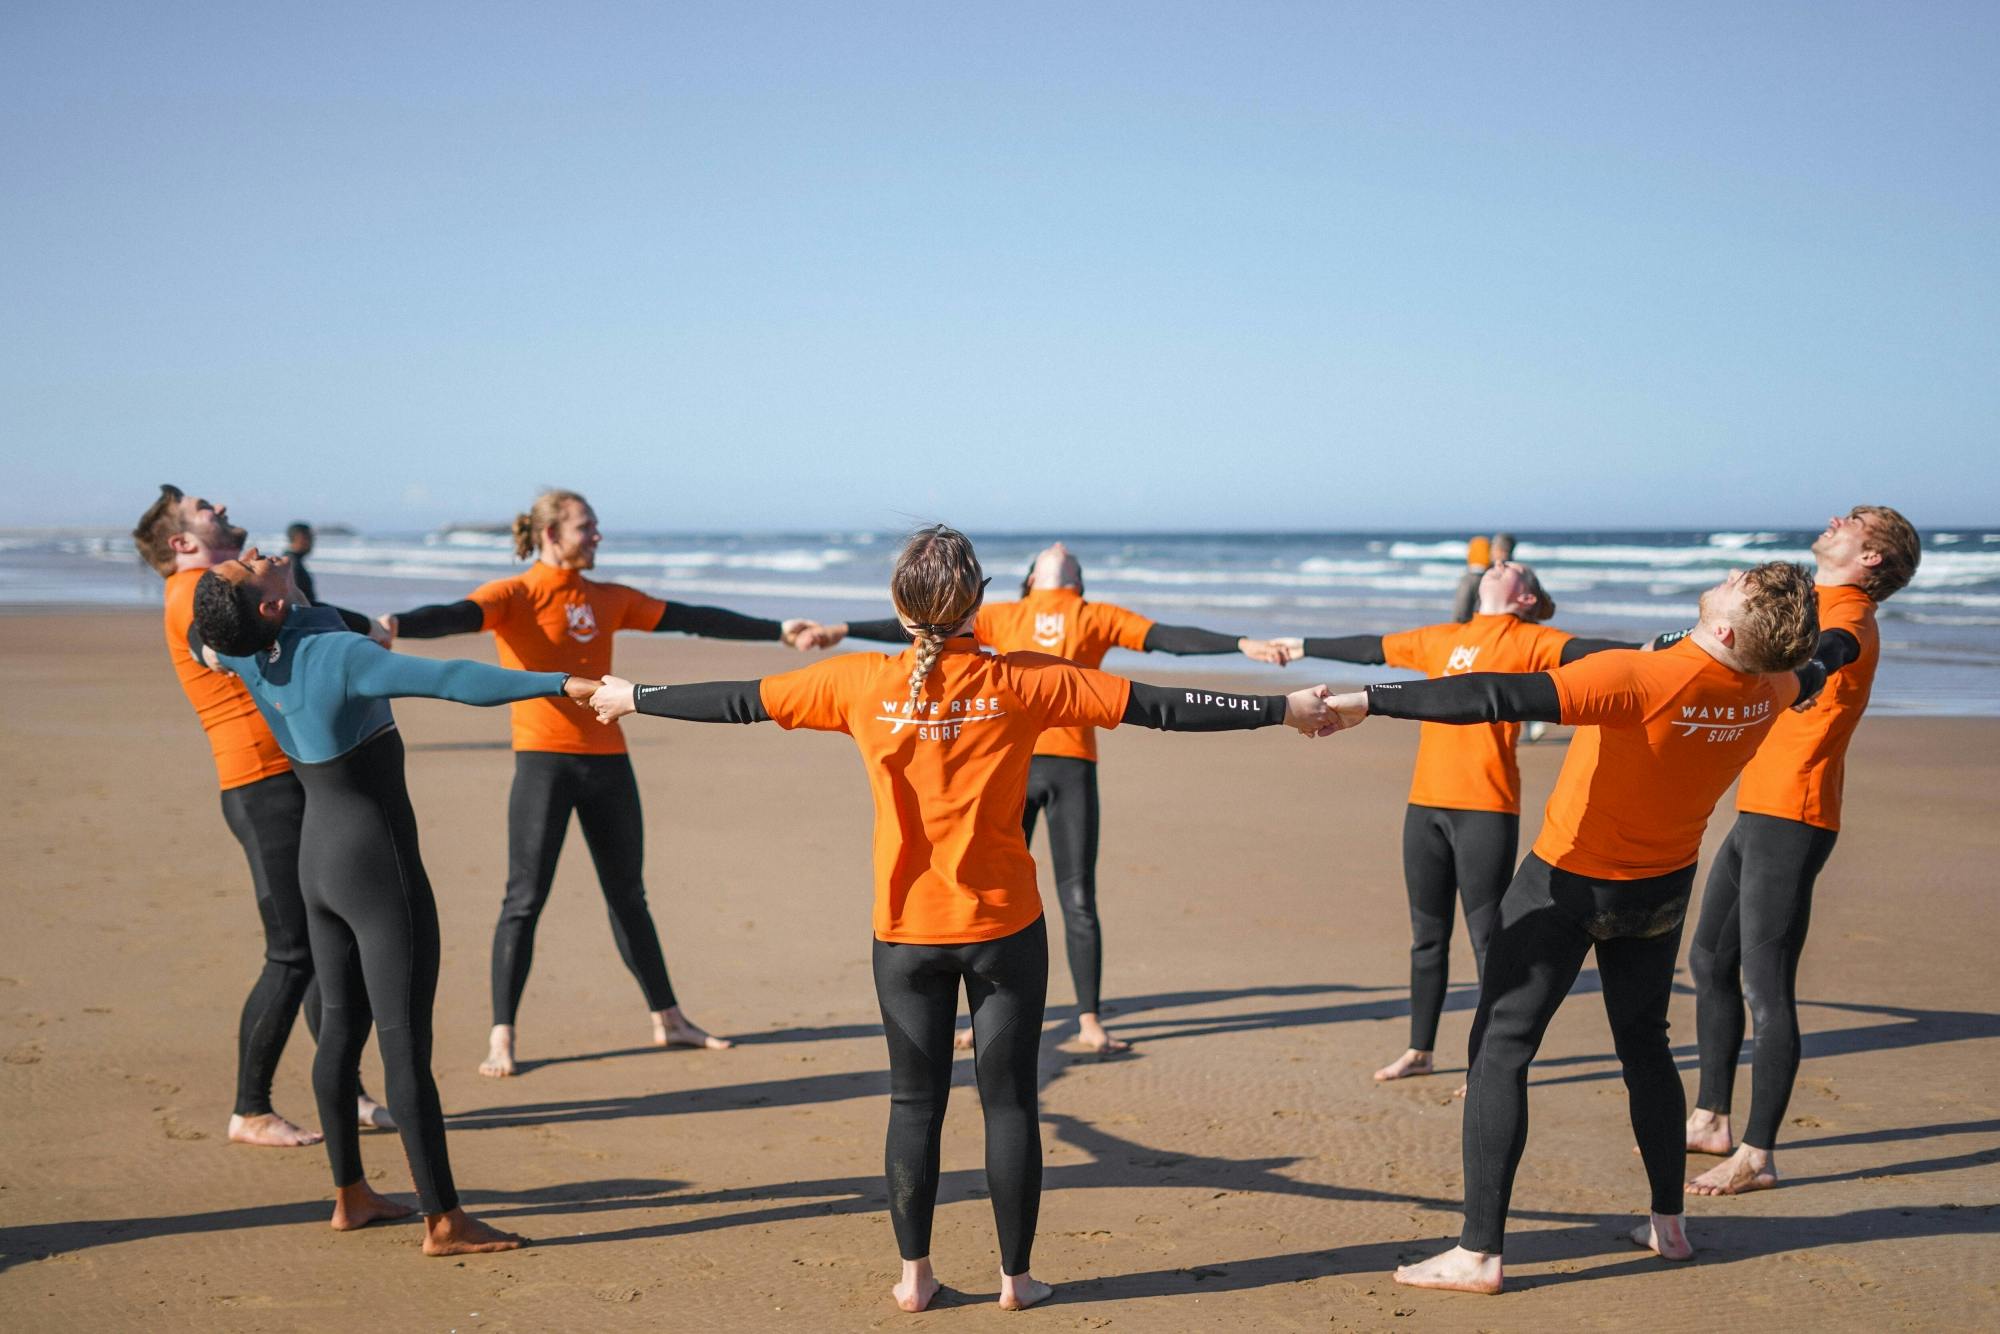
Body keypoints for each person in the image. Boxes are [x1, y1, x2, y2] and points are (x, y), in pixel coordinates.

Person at [589, 525, 1338, 1312]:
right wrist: (1282, 708)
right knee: (1008, 1103)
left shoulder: (856, 682)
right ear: (981, 601)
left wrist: (634, 697)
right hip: (1003, 930)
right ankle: (1017, 1281)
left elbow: (740, 701)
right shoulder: (1026, 680)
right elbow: (1162, 706)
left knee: (914, 1104)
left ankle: (914, 1278)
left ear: (897, 607)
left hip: (904, 934)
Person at [1323, 561, 1822, 1294]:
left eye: (1735, 583)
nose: (1724, 577)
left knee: (1500, 1048)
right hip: (1662, 888)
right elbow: (1823, 664)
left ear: (1723, 629)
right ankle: (1668, 1223)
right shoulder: (1775, 685)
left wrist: (1367, 700)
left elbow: (1494, 693)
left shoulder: (1640, 678)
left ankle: (1478, 1254)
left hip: (1568, 881)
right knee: (1645, 1046)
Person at [190, 546, 600, 1254]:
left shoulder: (244, 651)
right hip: (377, 872)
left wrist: (259, 627)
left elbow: (208, 643)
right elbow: (452, 680)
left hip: (317, 863)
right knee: (405, 1044)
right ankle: (445, 1220)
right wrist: (563, 683)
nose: (252, 552)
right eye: (244, 568)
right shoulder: (337, 656)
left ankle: (351, 1195)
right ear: (270, 605)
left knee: (340, 1031)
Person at [379, 489, 826, 1077]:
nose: (596, 536)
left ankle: (669, 1019)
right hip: (543, 763)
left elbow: (693, 619)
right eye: (585, 527)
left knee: (628, 896)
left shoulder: (609, 598)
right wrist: (397, 624)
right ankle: (501, 1035)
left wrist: (779, 630)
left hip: (609, 762)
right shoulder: (515, 595)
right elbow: (456, 615)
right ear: (550, 534)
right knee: (524, 899)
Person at [805, 542, 1293, 1052]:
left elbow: (1167, 639)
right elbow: (932, 620)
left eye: (1067, 553)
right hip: (1007, 769)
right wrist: (842, 629)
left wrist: (1241, 643)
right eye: (1049, 551)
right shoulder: (1001, 615)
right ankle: (985, 1012)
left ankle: (1089, 1018)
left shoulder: (1095, 615)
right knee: (988, 885)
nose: (1059, 547)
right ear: (1029, 580)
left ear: (1074, 580)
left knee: (1077, 895)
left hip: (1071, 768)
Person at [1282, 561, 1632, 1086]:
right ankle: (1419, 1050)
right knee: (1426, 938)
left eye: (1514, 567)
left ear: (1526, 599)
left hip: (1486, 808)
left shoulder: (1534, 641)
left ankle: (1486, 1063)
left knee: (1489, 941)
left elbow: (1603, 652)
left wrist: (1673, 648)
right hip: (1425, 806)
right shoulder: (1440, 638)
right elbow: (1371, 648)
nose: (1500, 563)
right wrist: (1299, 645)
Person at [131, 485, 389, 1148]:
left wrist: (366, 628)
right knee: (294, 951)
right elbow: (209, 641)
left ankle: (346, 1090)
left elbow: (288, 615)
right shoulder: (192, 591)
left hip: (289, 777)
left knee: (328, 941)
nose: (218, 507)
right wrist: (215, 651)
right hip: (261, 786)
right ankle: (250, 1111)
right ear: (182, 542)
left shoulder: (218, 583)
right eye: (203, 509)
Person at [1684, 507, 1921, 1196]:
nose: (1835, 519)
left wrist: (1811, 665)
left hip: (1795, 814)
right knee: (1709, 959)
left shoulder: (1849, 615)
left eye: (1855, 521)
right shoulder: (1811, 600)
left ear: (1872, 556)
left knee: (1766, 985)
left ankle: (1757, 1156)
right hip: (1758, 805)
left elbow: (1836, 648)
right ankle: (1710, 1118)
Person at [1450, 533, 1512, 622]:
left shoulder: (1473, 579)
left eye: (1506, 551)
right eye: (1502, 550)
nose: (1505, 555)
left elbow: (1460, 612)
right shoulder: (1501, 577)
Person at [286, 522, 317, 604]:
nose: (312, 542)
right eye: (309, 538)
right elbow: (295, 601)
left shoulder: (290, 561)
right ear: (299, 538)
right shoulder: (292, 565)